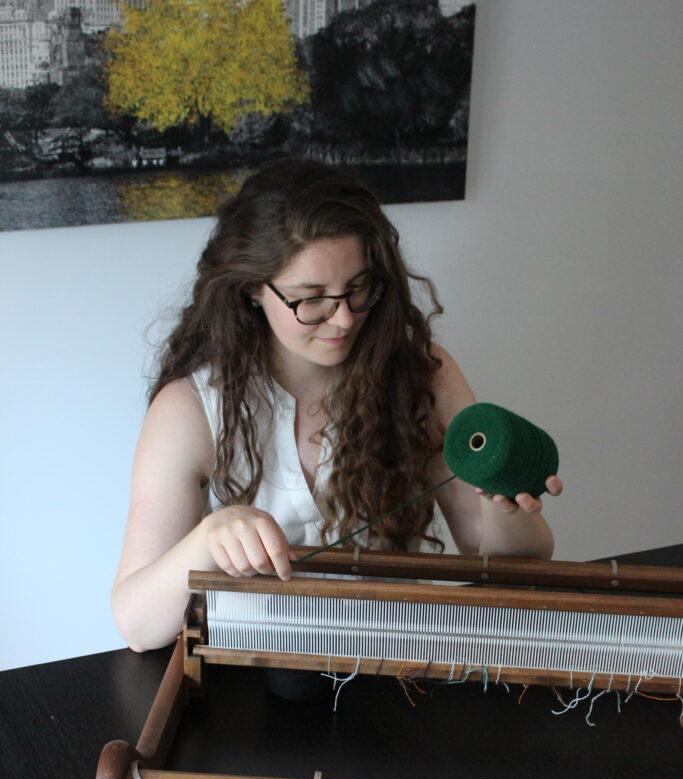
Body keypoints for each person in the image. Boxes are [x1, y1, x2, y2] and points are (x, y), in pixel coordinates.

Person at [112, 158, 562, 654]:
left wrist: (508, 505)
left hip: (397, 669)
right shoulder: (191, 408)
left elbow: (510, 565)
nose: (344, 318)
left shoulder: (425, 375)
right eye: (312, 299)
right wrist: (209, 538)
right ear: (252, 291)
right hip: (248, 676)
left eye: (358, 288)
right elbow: (136, 625)